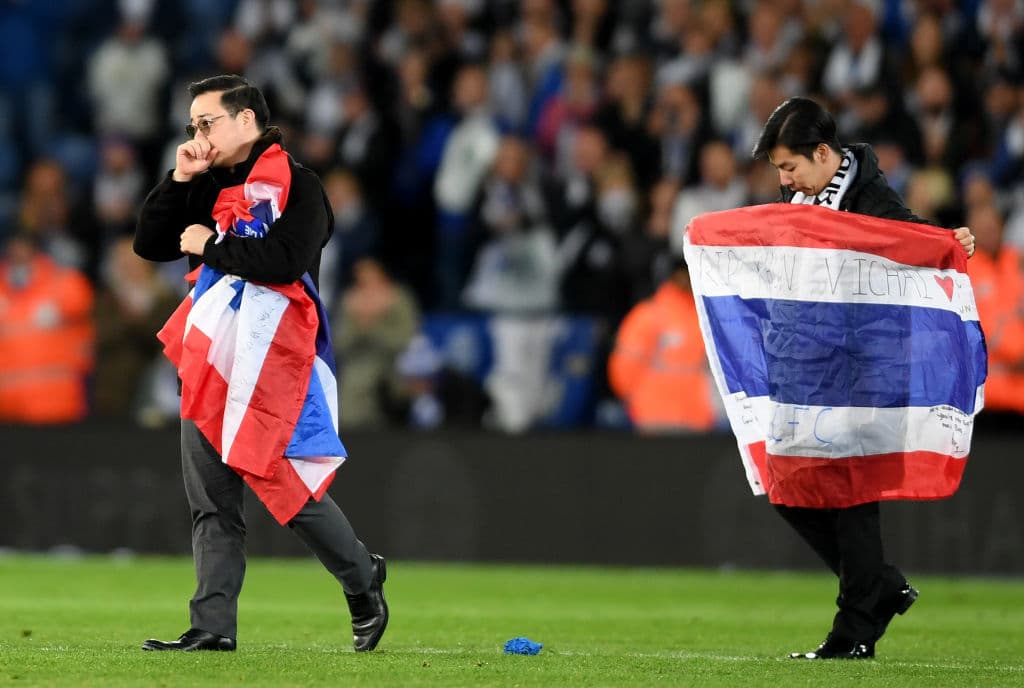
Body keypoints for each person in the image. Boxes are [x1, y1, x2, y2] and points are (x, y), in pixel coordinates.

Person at [134, 75, 387, 653]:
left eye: (208, 123)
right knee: (212, 504)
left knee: (291, 495)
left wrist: (207, 244)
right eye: (192, 125)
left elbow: (284, 260)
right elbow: (150, 243)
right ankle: (213, 627)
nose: (198, 135)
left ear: (246, 121)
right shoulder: (205, 182)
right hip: (213, 361)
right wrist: (179, 179)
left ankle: (362, 578)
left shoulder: (299, 186)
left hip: (274, 365)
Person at [751, 96, 975, 660]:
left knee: (851, 494)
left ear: (823, 153)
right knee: (786, 485)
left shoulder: (870, 196)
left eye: (789, 167)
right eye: (780, 170)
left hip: (865, 366)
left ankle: (852, 634)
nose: (784, 180)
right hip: (808, 367)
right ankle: (880, 584)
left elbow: (911, 237)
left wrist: (951, 242)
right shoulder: (801, 194)